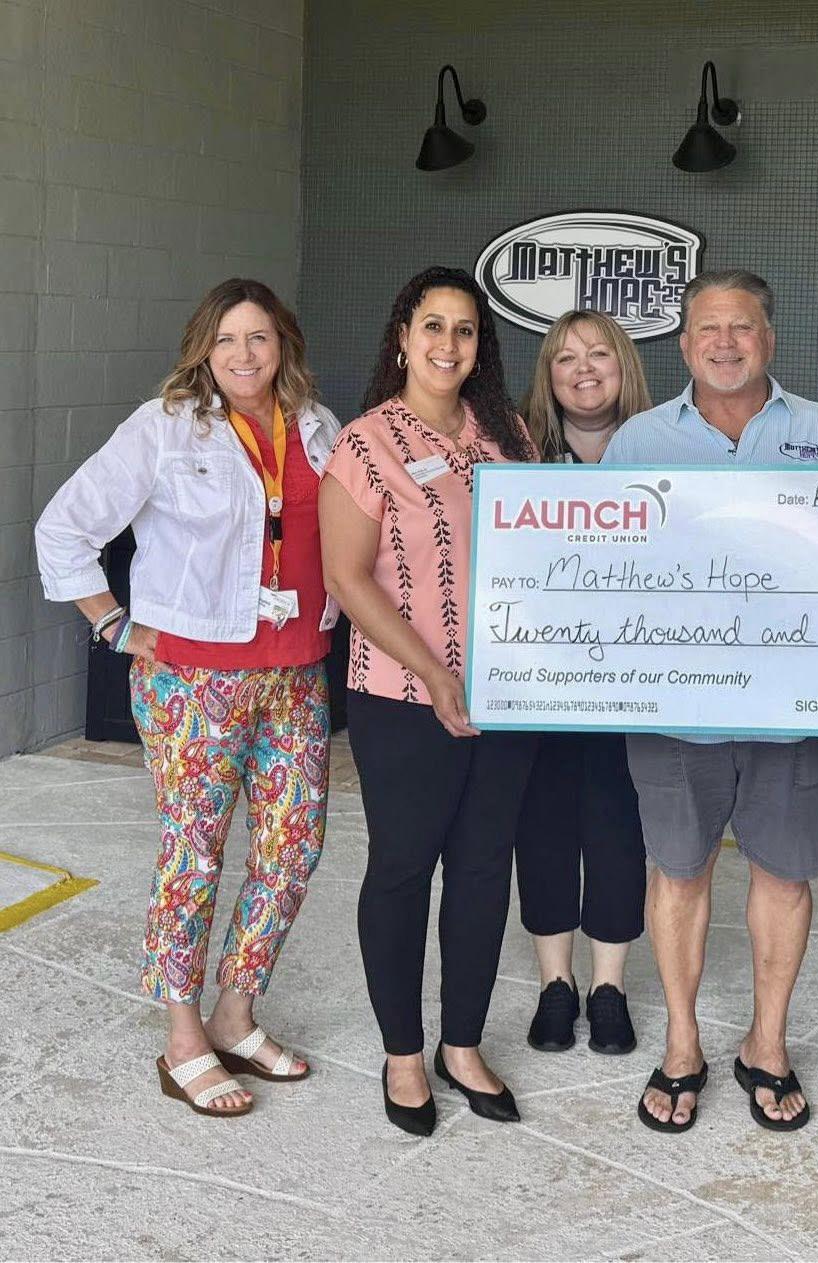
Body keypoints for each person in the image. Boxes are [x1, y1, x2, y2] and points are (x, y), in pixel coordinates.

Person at [35, 278, 340, 1118]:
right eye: (226, 339)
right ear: (204, 348)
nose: (244, 354)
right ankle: (182, 1036)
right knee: (195, 851)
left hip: (296, 669)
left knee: (292, 847)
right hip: (193, 678)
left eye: (259, 338)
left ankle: (235, 1014)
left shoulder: (317, 425)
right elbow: (63, 527)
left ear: (283, 345)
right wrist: (114, 625)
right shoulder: (165, 427)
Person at [601, 269, 818, 1133]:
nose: (725, 343)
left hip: (794, 708)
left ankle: (768, 1044)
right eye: (708, 329)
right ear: (683, 345)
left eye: (742, 327)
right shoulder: (638, 442)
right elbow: (600, 570)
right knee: (679, 872)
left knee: (784, 875)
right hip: (676, 708)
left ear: (769, 339)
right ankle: (682, 1044)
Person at [319, 266, 539, 1137]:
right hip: (403, 697)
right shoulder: (364, 443)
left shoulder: (508, 434)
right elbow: (348, 577)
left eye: (466, 330)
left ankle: (462, 1044)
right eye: (434, 326)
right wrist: (435, 671)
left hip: (506, 696)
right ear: (403, 338)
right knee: (405, 867)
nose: (450, 344)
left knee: (484, 868)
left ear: (482, 346)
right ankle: (404, 1052)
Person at [515, 311, 652, 1055]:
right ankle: (556, 984)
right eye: (566, 357)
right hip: (539, 677)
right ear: (549, 374)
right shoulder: (515, 451)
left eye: (600, 354)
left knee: (617, 826)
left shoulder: (661, 449)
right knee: (541, 825)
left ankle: (608, 986)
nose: (584, 368)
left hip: (634, 680)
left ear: (624, 365)